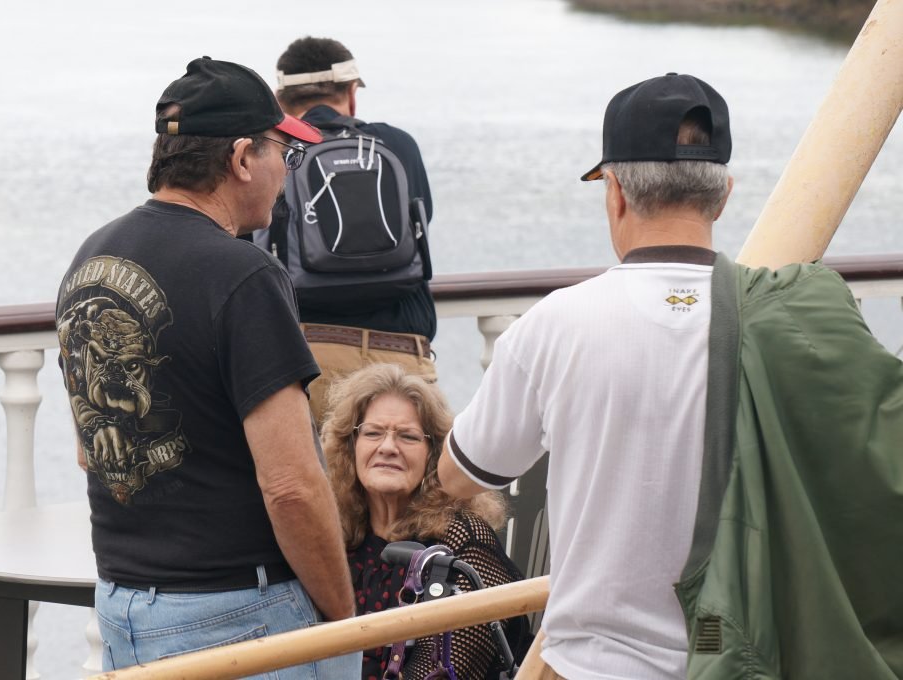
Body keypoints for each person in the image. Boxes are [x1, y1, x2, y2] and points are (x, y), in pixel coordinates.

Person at [55, 56, 359, 675]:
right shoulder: (243, 275)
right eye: (283, 152)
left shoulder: (90, 258)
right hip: (239, 613)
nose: (286, 172)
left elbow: (92, 450)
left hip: (123, 605)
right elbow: (291, 486)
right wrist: (346, 619)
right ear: (242, 158)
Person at [437, 73, 736, 679]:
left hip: (598, 664)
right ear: (723, 195)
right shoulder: (776, 316)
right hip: (743, 657)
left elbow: (461, 474)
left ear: (615, 192)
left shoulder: (557, 324)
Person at [321, 363, 528, 680]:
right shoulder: (336, 534)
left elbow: (439, 673)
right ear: (350, 446)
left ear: (434, 455)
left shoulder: (463, 543)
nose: (387, 447)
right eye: (373, 433)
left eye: (407, 436)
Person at [272, 37, 437, 424]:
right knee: (401, 463)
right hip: (400, 362)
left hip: (302, 360)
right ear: (351, 92)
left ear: (279, 101)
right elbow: (421, 224)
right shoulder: (398, 145)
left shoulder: (271, 152)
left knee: (310, 467)